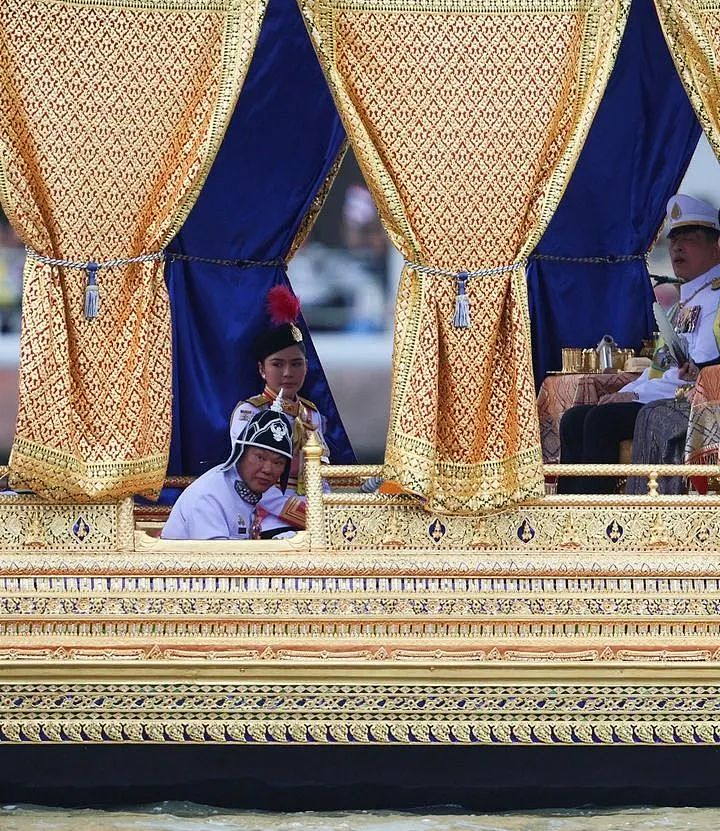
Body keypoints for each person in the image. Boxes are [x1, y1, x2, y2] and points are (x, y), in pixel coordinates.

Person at [559, 194, 720, 494]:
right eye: (674, 240)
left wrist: (631, 397)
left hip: (696, 406)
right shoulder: (682, 303)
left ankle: (601, 522)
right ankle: (569, 520)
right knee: (574, 418)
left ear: (716, 245)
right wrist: (626, 393)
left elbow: (695, 375)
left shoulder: (716, 298)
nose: (677, 247)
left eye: (690, 238)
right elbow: (661, 368)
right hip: (668, 394)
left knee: (600, 421)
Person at [226, 285, 330, 529]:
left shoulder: (311, 413)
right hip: (265, 511)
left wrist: (324, 508)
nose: (287, 373)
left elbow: (321, 473)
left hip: (312, 510)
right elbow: (248, 474)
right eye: (277, 364)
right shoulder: (249, 412)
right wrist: (300, 512)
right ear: (262, 369)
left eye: (296, 364)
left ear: (306, 367)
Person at [162, 407, 294, 540]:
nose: (267, 469)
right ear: (240, 452)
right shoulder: (210, 496)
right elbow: (218, 559)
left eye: (278, 463)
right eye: (260, 457)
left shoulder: (246, 490)